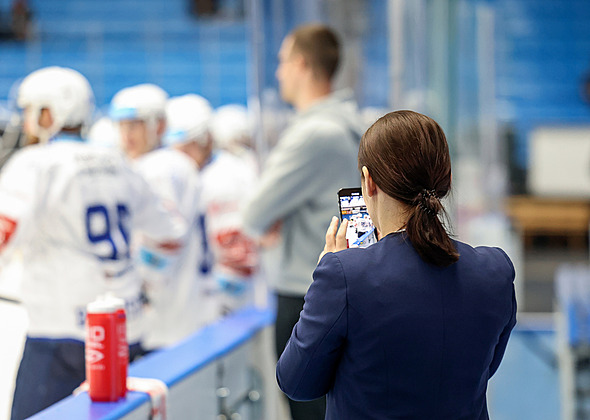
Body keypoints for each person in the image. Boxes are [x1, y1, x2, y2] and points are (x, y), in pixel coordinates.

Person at [0, 67, 187, 419]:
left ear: (50, 112)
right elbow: (171, 236)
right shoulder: (120, 163)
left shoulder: (35, 164)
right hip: (124, 330)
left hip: (59, 338)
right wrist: (144, 281)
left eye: (30, 110)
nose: (25, 119)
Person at [276, 110, 517, 420]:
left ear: (368, 181)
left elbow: (296, 382)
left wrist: (321, 284)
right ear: (447, 179)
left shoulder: (344, 275)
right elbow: (485, 368)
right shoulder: (495, 270)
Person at [242, 24, 362, 419]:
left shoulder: (314, 133)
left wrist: (277, 213)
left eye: (281, 62)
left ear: (302, 64)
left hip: (306, 294)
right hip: (343, 283)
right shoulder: (350, 123)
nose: (278, 73)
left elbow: (254, 214)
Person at [109, 84, 202, 349]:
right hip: (178, 311)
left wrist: (137, 291)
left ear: (159, 126)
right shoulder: (168, 163)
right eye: (122, 125)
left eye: (135, 125)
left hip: (163, 318)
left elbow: (167, 240)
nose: (127, 134)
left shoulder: (159, 168)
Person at [165, 94, 260, 321]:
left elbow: (240, 258)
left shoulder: (229, 177)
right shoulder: (178, 174)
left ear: (206, 140)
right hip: (192, 300)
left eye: (188, 148)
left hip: (230, 303)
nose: (181, 158)